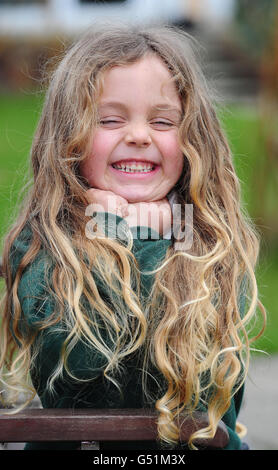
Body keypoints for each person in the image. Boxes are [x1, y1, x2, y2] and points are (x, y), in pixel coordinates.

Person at [0, 23, 265, 451]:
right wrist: (125, 233)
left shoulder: (208, 245)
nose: (139, 135)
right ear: (68, 137)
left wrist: (153, 236)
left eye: (162, 121)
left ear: (193, 138)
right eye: (109, 119)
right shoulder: (43, 244)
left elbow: (195, 396)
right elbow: (76, 377)